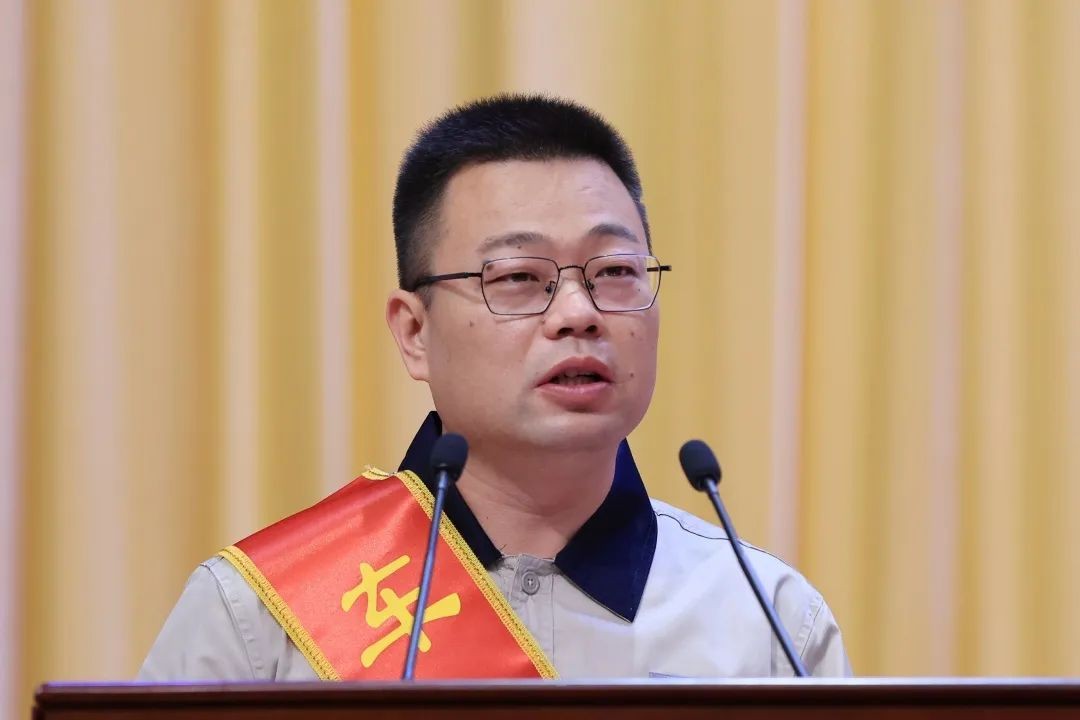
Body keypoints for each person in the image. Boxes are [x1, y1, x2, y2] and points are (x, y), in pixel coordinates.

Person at [138, 94, 850, 681]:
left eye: (614, 271)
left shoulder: (766, 624)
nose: (578, 313)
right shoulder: (259, 621)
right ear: (414, 332)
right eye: (517, 278)